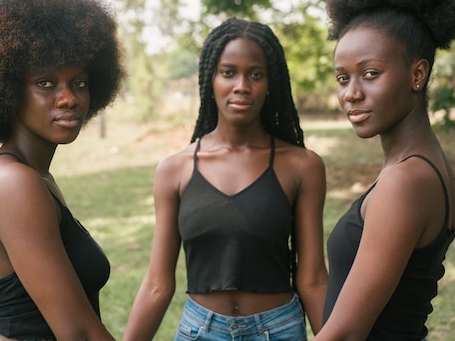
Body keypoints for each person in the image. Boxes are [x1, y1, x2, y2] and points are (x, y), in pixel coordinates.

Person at [0, 0, 125, 341]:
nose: (69, 97)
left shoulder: (36, 176)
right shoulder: (12, 183)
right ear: (4, 88)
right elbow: (77, 332)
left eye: (80, 82)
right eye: (45, 82)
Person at [122, 17, 328, 341]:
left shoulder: (302, 167)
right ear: (210, 79)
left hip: (279, 330)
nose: (242, 86)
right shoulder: (174, 171)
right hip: (200, 331)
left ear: (271, 81)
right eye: (228, 72)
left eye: (255, 74)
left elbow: (313, 278)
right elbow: (158, 284)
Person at [315, 0, 455, 341]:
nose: (351, 93)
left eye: (370, 73)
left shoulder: (406, 181)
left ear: (417, 74)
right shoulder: (422, 166)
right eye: (343, 78)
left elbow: (345, 333)